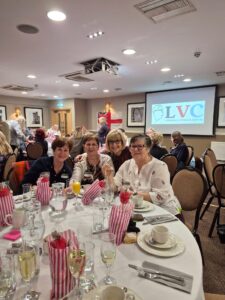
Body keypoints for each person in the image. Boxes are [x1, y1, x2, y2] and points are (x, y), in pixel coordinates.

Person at [103, 134, 182, 217]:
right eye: (132, 146)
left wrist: (131, 195)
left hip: (164, 211)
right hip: (136, 210)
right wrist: (109, 177)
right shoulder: (126, 164)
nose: (135, 149)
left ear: (148, 148)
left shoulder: (160, 166)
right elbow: (115, 187)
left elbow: (161, 196)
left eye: (140, 146)